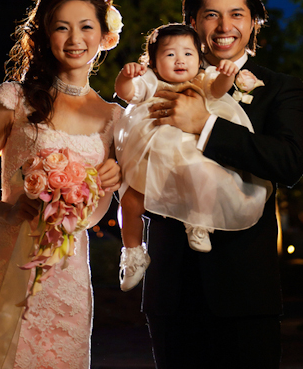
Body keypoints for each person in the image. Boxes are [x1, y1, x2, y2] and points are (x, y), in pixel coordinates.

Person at [142, 0, 303, 369]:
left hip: (245, 292)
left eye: (237, 14)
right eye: (211, 15)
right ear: (193, 23)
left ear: (254, 22)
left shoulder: (279, 88)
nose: (224, 26)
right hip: (172, 285)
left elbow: (289, 163)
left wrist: (206, 124)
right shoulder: (157, 85)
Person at [0, 0, 122, 369]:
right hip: (10, 257)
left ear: (104, 35)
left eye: (86, 27)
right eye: (61, 27)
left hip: (68, 272)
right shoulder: (12, 98)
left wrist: (106, 187)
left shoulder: (114, 117)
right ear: (44, 36)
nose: (74, 39)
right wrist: (6, 211)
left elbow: (96, 216)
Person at [114, 23, 272, 291]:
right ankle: (133, 252)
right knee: (129, 201)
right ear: (153, 61)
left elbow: (219, 89)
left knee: (206, 177)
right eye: (170, 54)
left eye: (188, 53)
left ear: (199, 58)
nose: (180, 60)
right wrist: (126, 77)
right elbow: (126, 93)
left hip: (190, 153)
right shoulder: (151, 82)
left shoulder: (202, 79)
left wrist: (227, 75)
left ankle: (199, 222)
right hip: (152, 157)